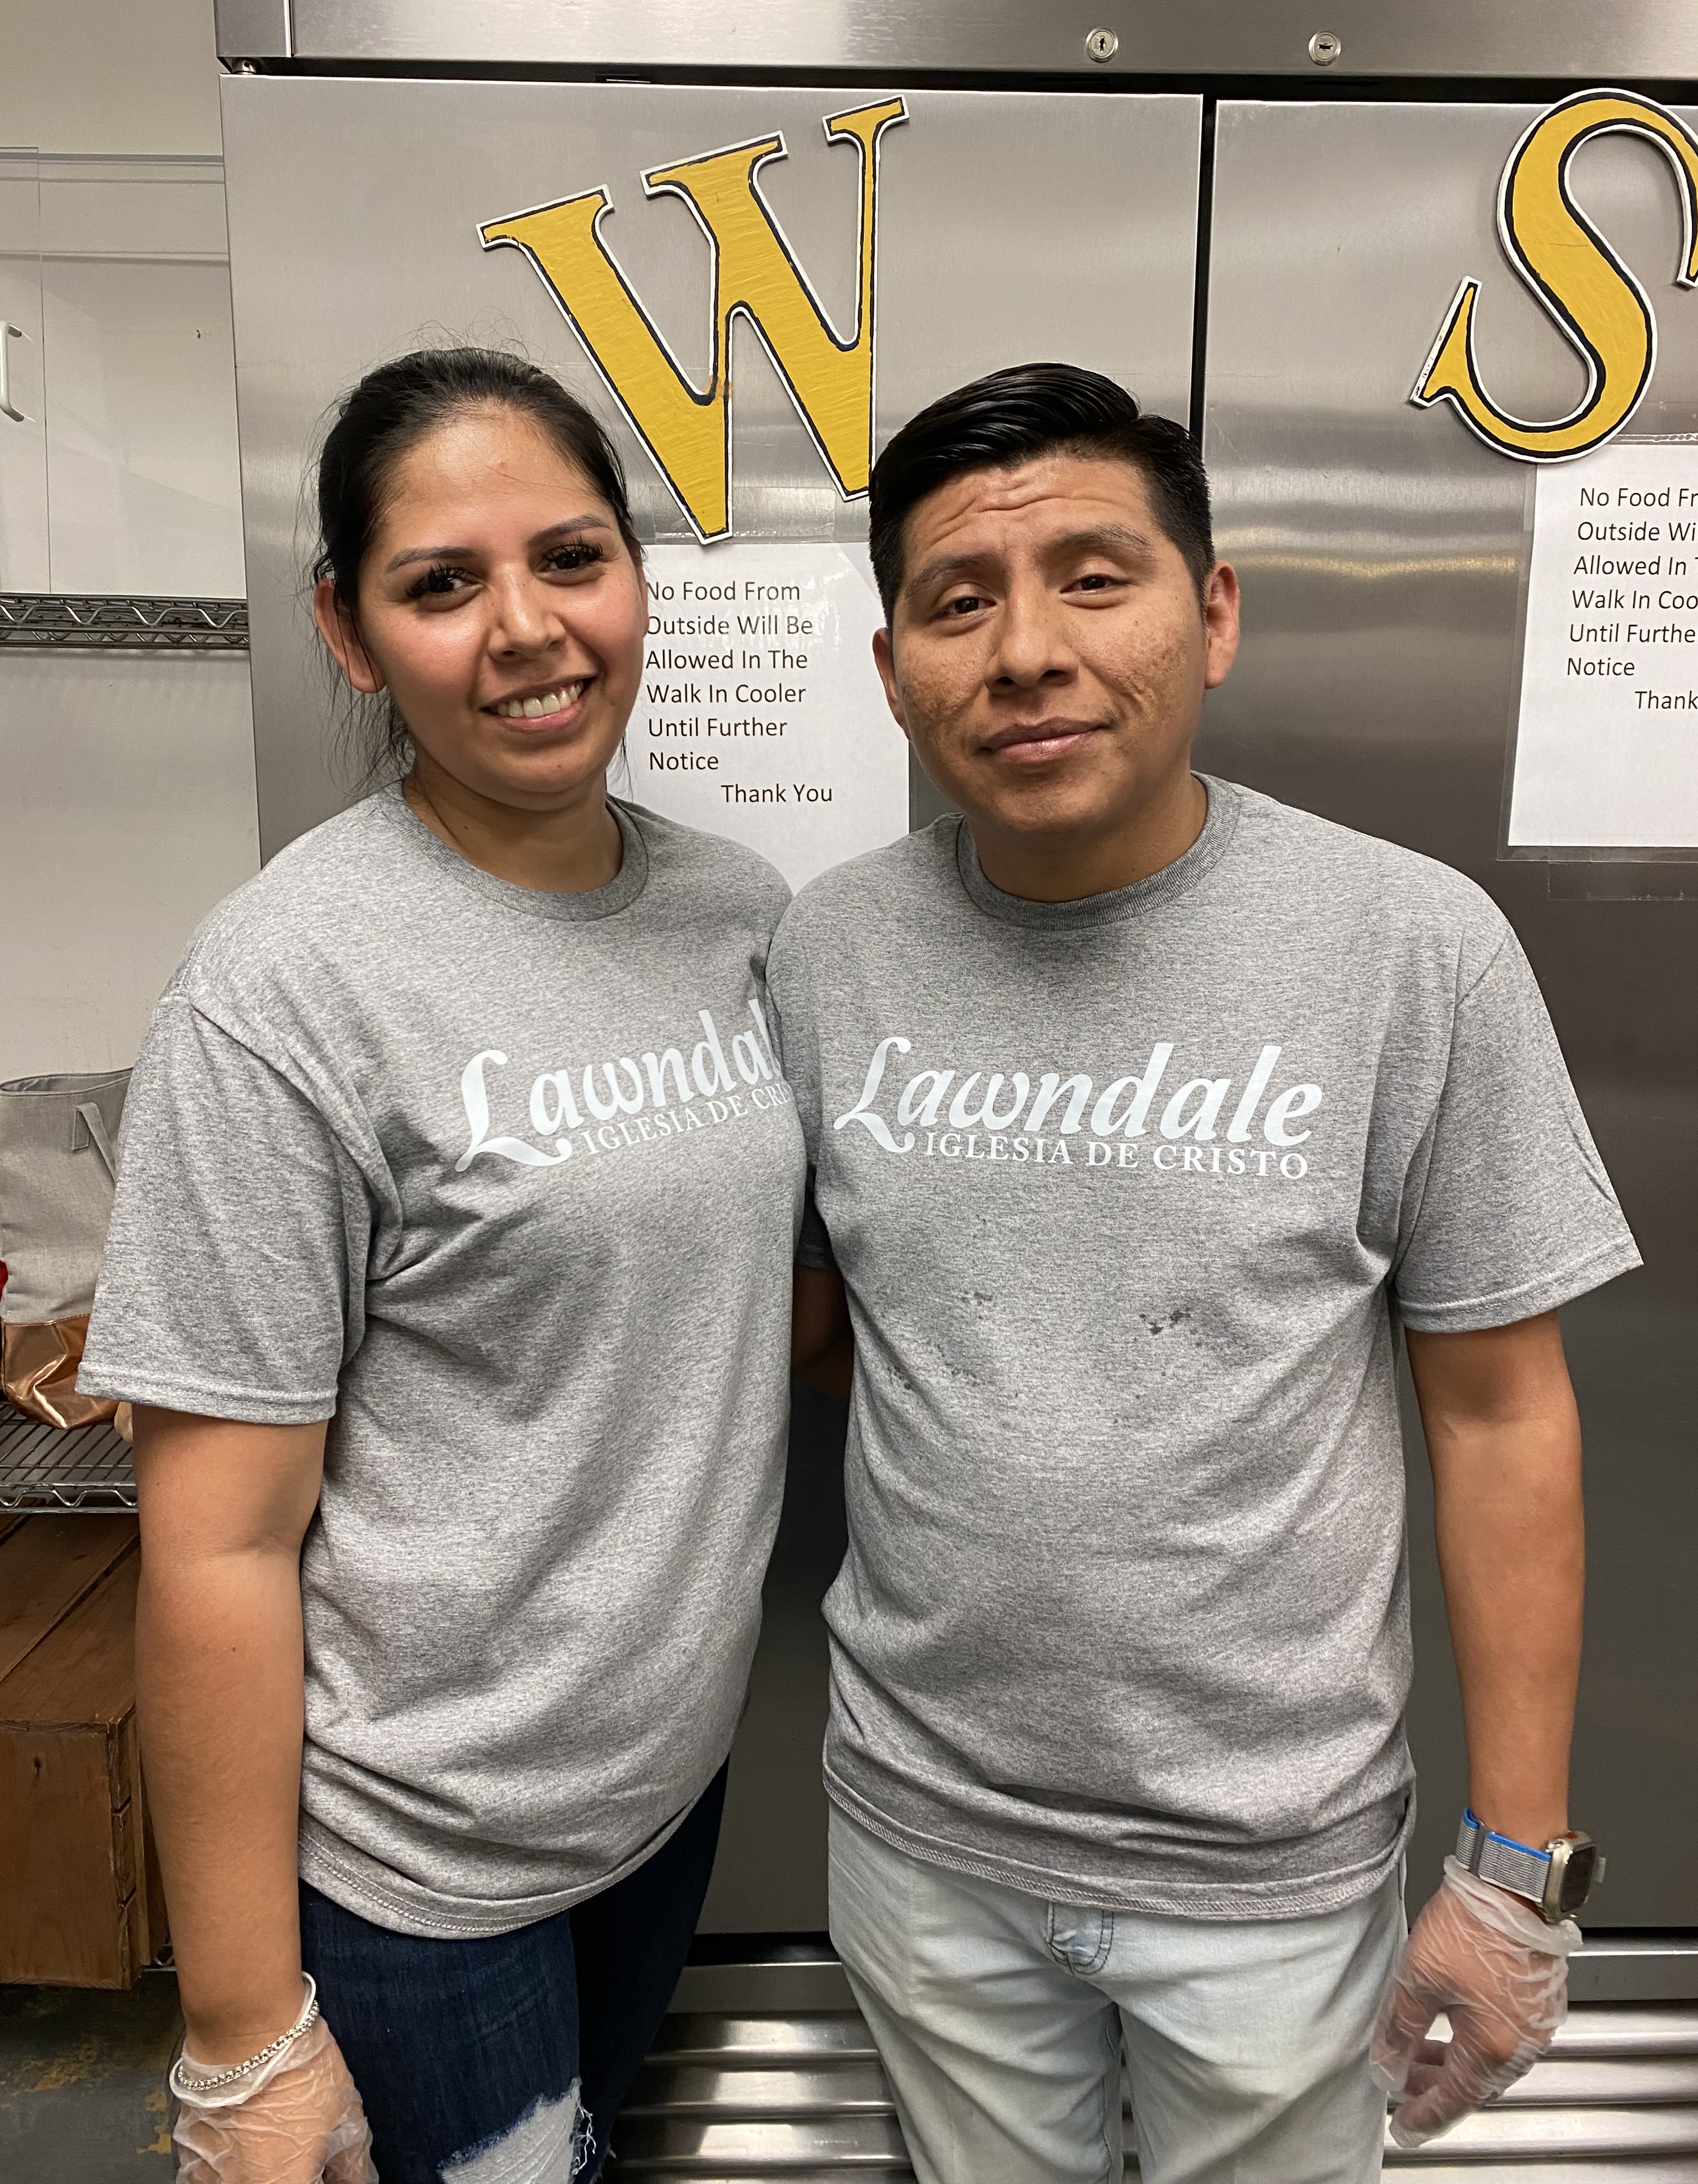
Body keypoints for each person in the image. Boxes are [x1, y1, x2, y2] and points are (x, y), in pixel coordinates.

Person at [777, 362, 1638, 2183]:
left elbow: (1501, 1418)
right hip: (922, 1842)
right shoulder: (829, 953)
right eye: (959, 601)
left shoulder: (1412, 948)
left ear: (1216, 612)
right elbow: (840, 1329)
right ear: (893, 670)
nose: (1028, 651)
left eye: (1095, 579)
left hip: (1273, 1877)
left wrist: (1517, 1875)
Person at [81, 347, 805, 2184]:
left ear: (635, 575)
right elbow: (219, 1545)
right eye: (441, 583)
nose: (527, 629)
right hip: (423, 1859)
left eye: (570, 558)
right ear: (349, 630)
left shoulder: (737, 915)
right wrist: (243, 2034)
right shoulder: (285, 989)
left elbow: (749, 1303)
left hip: (661, 1791)